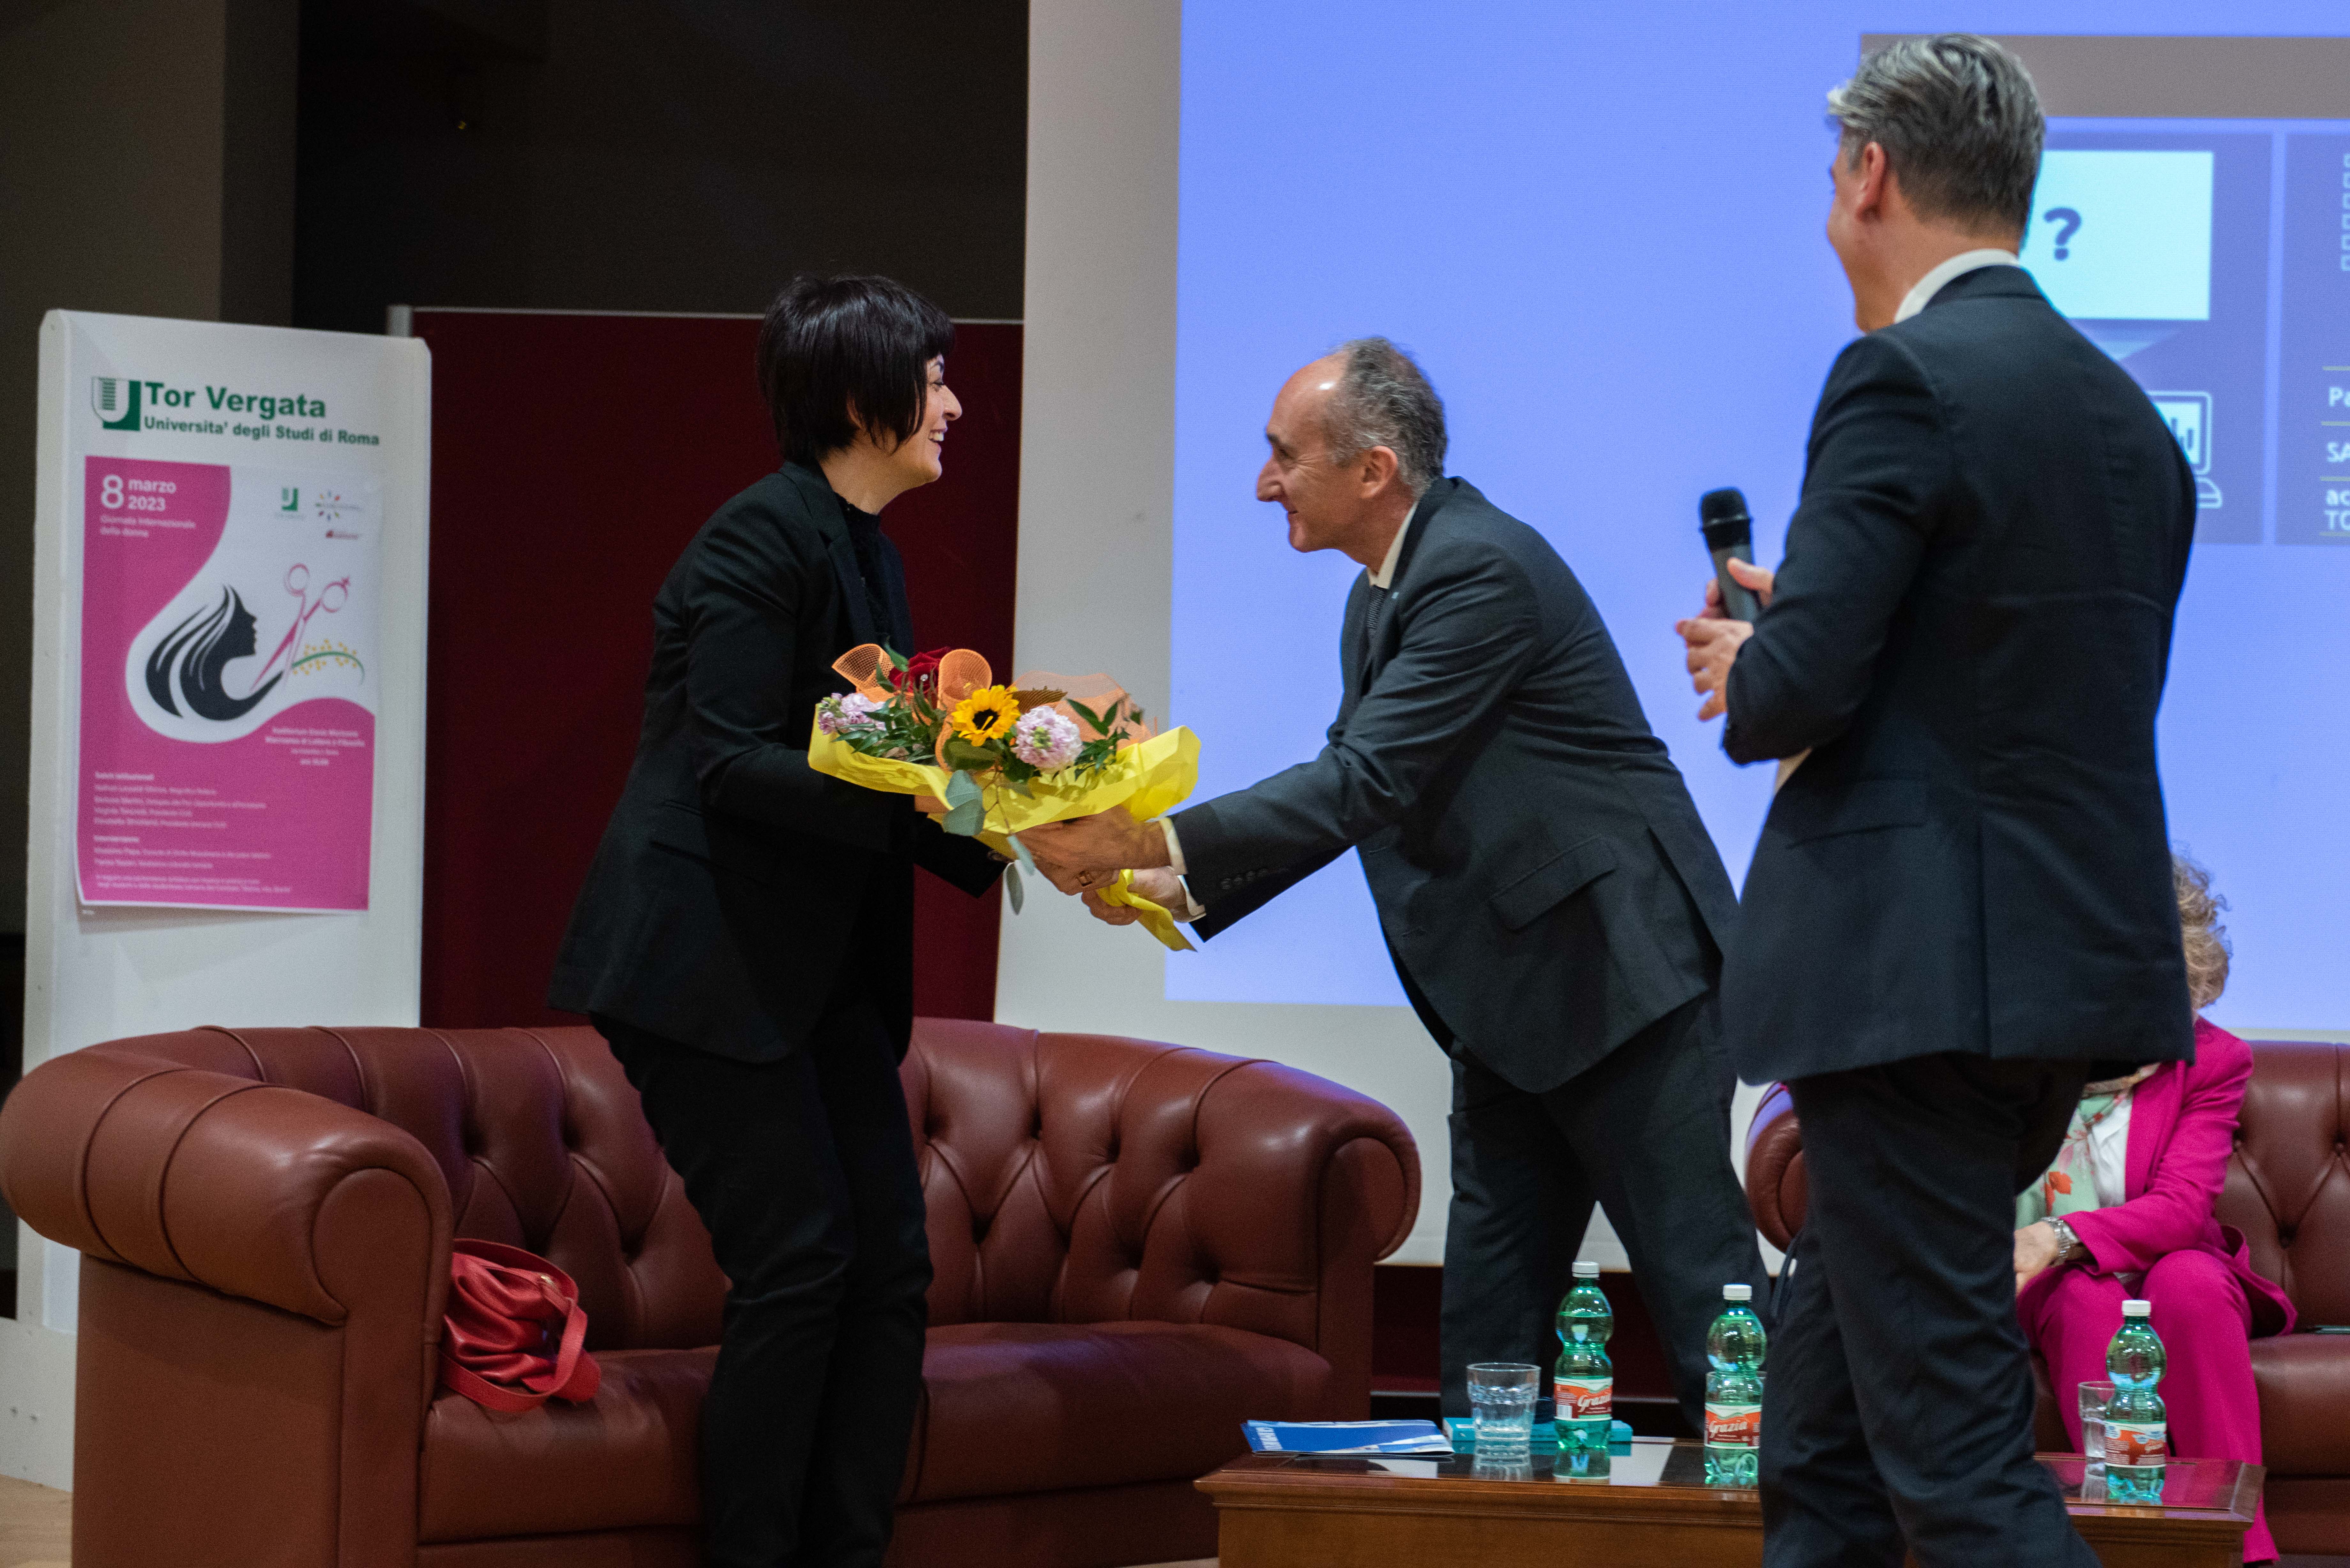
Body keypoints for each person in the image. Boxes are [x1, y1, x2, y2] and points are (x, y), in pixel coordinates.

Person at [1024, 337, 1769, 1427]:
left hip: (1623, 983)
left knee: (1716, 1326)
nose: (1264, 483)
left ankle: (1806, 1513)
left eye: (1286, 456)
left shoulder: (1477, 568)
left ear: (1374, 470)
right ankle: (1483, 1515)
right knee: (1489, 1352)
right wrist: (1171, 890)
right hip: (1516, 1001)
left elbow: (1365, 780)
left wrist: (1146, 842)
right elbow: (1359, 784)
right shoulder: (1382, 592)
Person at [1674, 36, 2199, 1568]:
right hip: (2047, 986)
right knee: (1820, 1453)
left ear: (1868, 173)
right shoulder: (2128, 420)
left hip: (1909, 988)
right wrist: (1831, 618)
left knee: (1957, 1467)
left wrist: (1754, 652)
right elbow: (2010, 682)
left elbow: (1790, 696)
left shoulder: (1897, 374)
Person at [548, 274, 1002, 1568]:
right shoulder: (756, 540)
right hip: (700, 965)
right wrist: (953, 804)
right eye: (934, 381)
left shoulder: (871, 551)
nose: (954, 406)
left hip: (810, 973)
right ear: (862, 398)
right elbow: (734, 762)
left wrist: (1012, 827)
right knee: (801, 1260)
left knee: (890, 1266)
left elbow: (886, 764)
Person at [2017, 857, 2293, 1563]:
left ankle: (2238, 1549)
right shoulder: (2021, 1048)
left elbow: (2179, 1209)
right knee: (2083, 1297)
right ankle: (2135, 1541)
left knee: (2189, 1283)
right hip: (2053, 1280)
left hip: (2166, 1259)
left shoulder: (2214, 1058)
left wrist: (2057, 1234)